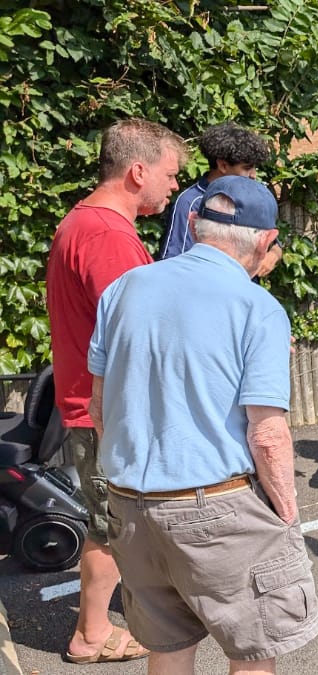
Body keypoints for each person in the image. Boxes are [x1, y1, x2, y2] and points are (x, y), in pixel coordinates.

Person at [88, 176, 318, 674]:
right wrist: (286, 514)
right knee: (253, 652)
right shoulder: (257, 307)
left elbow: (100, 408)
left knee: (168, 649)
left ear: (193, 224)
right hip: (217, 506)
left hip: (132, 505)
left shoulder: (123, 289)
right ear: (265, 241)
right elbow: (267, 433)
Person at [46, 118, 185, 665]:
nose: (173, 186)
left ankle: (105, 621)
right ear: (137, 171)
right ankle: (92, 634)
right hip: (107, 411)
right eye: (169, 174)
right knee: (111, 525)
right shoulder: (107, 236)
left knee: (112, 520)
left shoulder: (87, 223)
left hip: (93, 404)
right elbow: (141, 335)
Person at [160, 121, 269, 260]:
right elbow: (175, 259)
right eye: (247, 168)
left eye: (255, 168)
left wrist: (274, 254)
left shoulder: (250, 199)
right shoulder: (190, 203)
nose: (253, 175)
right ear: (223, 165)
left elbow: (271, 240)